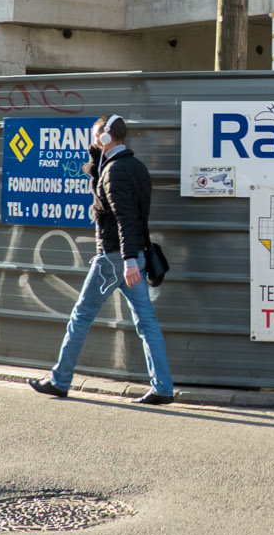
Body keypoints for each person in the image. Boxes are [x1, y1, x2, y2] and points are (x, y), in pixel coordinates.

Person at [28, 114, 175, 405]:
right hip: (132, 256)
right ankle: (163, 387)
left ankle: (59, 380)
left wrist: (129, 260)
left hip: (114, 258)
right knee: (147, 323)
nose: (92, 140)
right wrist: (98, 159)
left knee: (80, 317)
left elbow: (126, 218)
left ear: (106, 137)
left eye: (96, 136)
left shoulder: (115, 171)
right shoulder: (134, 167)